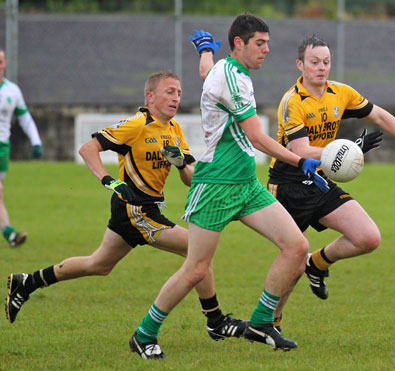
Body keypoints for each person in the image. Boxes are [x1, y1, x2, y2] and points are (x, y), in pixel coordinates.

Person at [129, 14, 330, 360]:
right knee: (196, 269)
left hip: (245, 184)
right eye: (259, 43)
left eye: (267, 43)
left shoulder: (229, 70)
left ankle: (262, 322)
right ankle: (144, 333)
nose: (267, 50)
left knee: (296, 246)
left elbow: (209, 73)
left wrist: (205, 51)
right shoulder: (232, 79)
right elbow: (255, 136)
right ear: (239, 43)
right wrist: (301, 161)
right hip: (217, 184)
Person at [5, 72, 247, 348]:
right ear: (150, 97)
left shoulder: (174, 130)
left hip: (144, 209)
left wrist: (181, 165)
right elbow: (88, 149)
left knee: (99, 264)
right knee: (197, 251)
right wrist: (108, 180)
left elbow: (190, 178)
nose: (176, 98)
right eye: (169, 92)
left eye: (179, 93)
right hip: (135, 209)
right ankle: (215, 321)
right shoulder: (137, 125)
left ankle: (28, 282)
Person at [266, 35, 395, 325]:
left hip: (321, 180)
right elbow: (300, 150)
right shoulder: (292, 102)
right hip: (288, 183)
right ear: (300, 65)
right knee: (292, 259)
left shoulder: (340, 92)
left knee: (367, 237)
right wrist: (347, 149)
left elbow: (381, 117)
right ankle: (270, 323)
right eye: (314, 62)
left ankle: (318, 263)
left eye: (326, 62)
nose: (321, 68)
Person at [0, 48, 43, 247]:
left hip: (2, 148)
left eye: (0, 61)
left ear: (5, 63)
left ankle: (9, 235)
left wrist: (36, 141)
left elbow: (24, 117)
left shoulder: (12, 90)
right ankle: (9, 232)